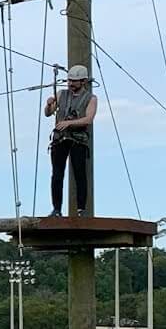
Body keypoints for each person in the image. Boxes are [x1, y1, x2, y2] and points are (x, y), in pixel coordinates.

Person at [44, 64, 97, 217]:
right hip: (60, 139)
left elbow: (88, 119)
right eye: (70, 81)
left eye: (75, 81)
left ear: (83, 82)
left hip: (78, 140)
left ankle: (81, 209)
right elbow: (48, 113)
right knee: (57, 174)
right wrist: (48, 105)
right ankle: (56, 209)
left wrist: (68, 123)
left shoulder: (91, 99)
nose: (71, 84)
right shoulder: (61, 94)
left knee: (80, 173)